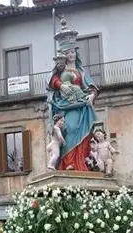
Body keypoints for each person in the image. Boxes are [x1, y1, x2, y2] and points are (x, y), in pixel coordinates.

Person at [47, 18, 98, 172]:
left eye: (73, 51)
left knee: (82, 132)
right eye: (68, 52)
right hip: (66, 107)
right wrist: (62, 85)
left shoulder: (82, 72)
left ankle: (81, 163)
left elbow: (91, 86)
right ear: (64, 54)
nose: (71, 54)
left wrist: (91, 96)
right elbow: (52, 81)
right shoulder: (61, 71)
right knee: (69, 130)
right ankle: (68, 163)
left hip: (82, 106)